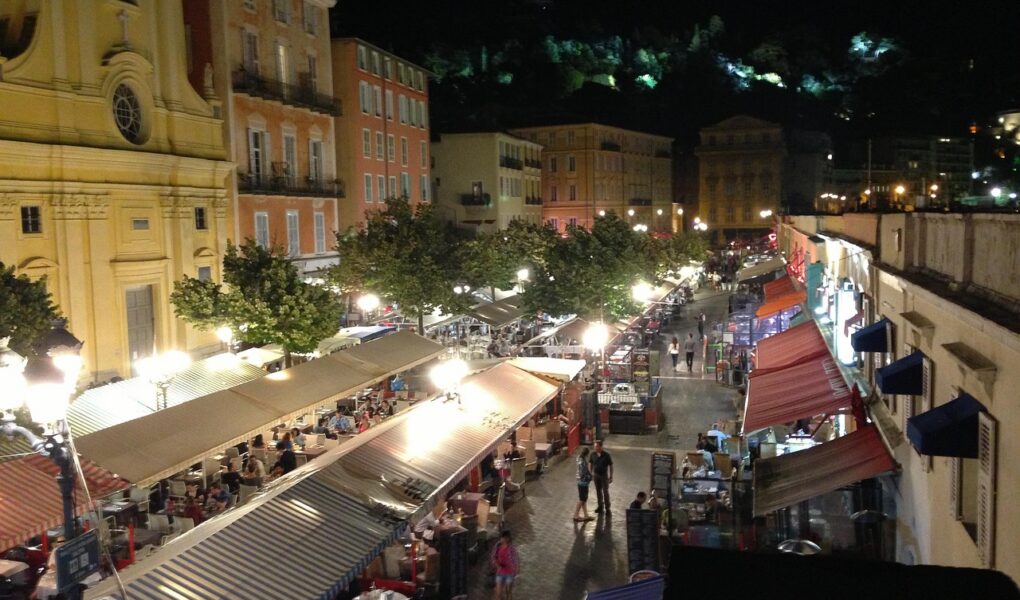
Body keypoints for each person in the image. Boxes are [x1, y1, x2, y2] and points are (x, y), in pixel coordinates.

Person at [489, 530, 520, 600]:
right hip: (500, 573)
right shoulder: (497, 546)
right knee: (498, 593)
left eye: (505, 538)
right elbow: (493, 556)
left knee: (508, 592)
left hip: (509, 573)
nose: (503, 539)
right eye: (502, 537)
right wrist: (496, 565)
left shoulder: (512, 548)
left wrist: (517, 570)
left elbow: (516, 559)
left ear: (508, 538)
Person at [588, 440, 614, 513]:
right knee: (598, 491)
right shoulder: (592, 454)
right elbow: (590, 463)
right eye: (594, 446)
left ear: (600, 446)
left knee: (605, 491)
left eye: (596, 446)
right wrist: (591, 473)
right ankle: (600, 506)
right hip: (596, 475)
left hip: (604, 476)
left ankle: (607, 508)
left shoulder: (606, 455)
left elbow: (611, 465)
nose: (595, 447)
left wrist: (611, 476)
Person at [573, 447, 595, 522]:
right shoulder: (583, 462)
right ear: (587, 454)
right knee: (582, 499)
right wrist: (591, 477)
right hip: (583, 483)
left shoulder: (579, 458)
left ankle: (586, 515)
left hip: (580, 482)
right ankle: (576, 515)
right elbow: (584, 473)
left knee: (584, 499)